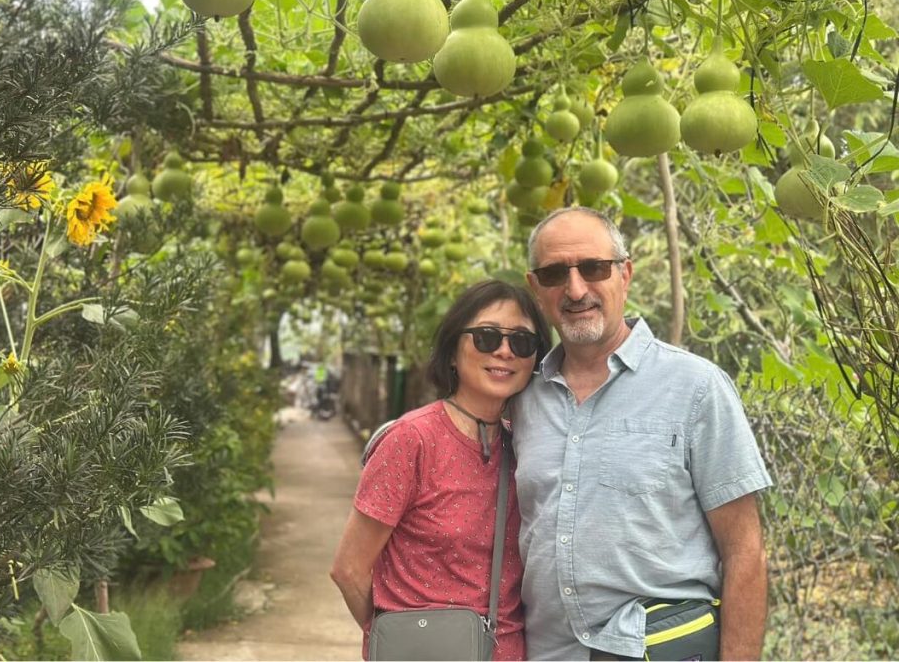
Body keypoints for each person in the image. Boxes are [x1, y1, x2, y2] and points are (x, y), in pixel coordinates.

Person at [513, 207, 773, 660]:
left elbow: (744, 551)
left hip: (661, 647)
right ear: (536, 288)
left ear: (625, 274)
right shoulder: (522, 399)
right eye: (555, 274)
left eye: (593, 268)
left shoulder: (695, 387)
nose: (576, 289)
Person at [330, 279, 553, 660]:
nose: (504, 351)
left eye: (521, 341)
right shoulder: (412, 440)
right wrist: (397, 642)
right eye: (486, 337)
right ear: (452, 351)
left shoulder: (528, 447)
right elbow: (349, 569)